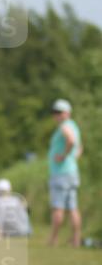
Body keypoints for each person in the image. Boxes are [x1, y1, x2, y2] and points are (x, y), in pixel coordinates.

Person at [47, 99, 83, 248]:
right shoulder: (74, 126)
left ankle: (53, 240)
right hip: (72, 172)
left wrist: (63, 156)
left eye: (60, 112)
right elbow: (80, 147)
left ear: (67, 113)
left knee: (58, 207)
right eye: (55, 112)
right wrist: (72, 159)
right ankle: (75, 240)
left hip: (61, 173)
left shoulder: (64, 127)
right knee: (73, 208)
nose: (57, 115)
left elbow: (71, 141)